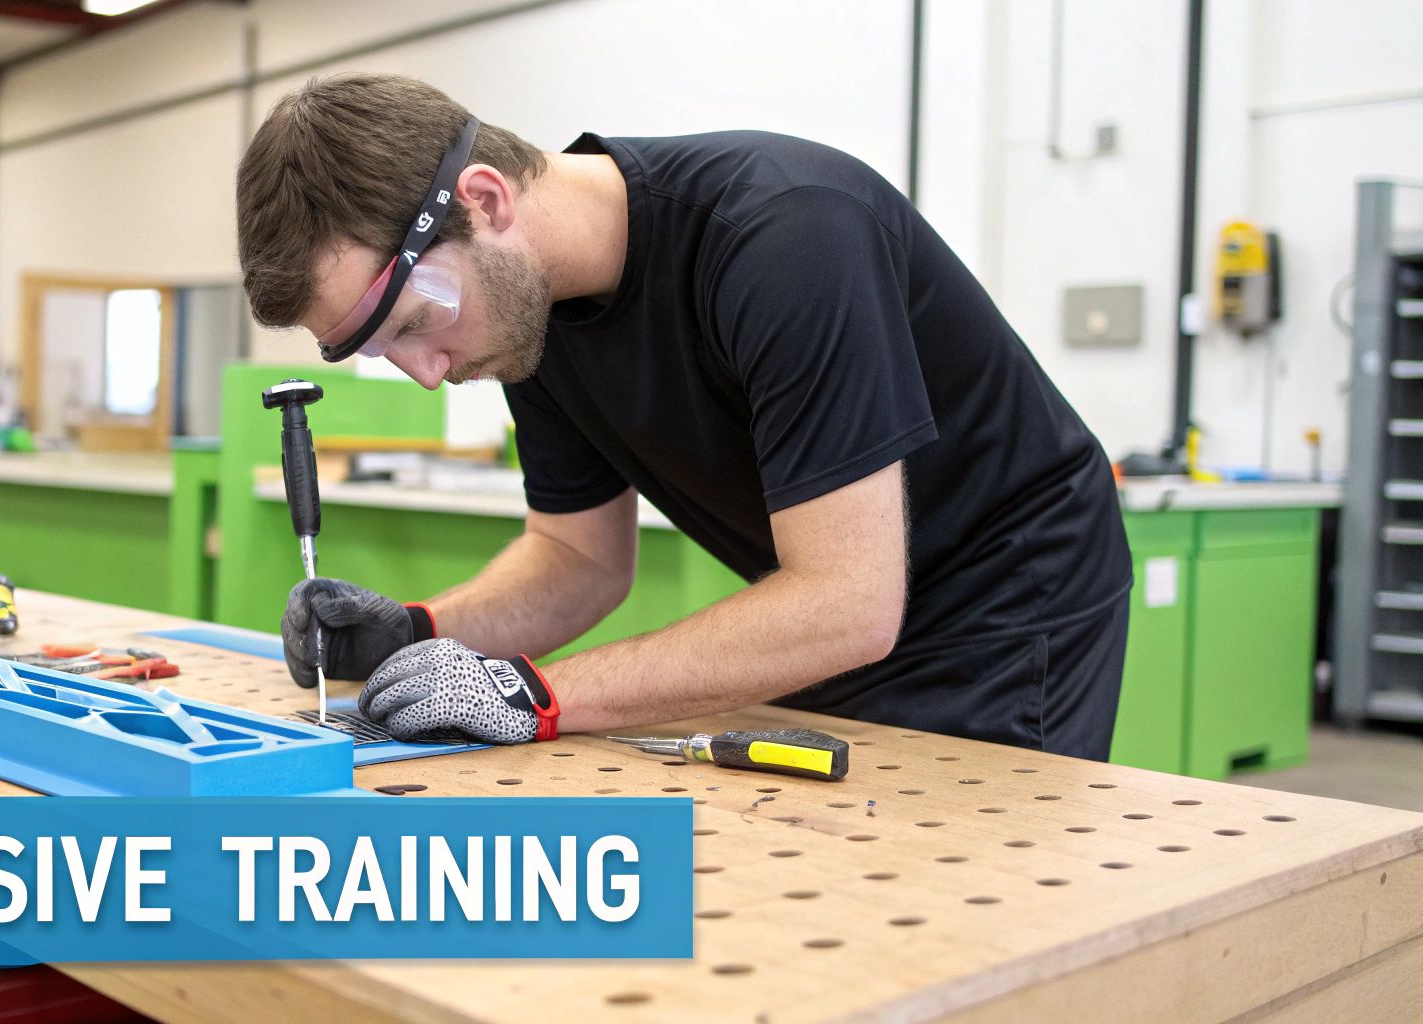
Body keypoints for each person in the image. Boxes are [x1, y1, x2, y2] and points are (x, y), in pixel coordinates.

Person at [235, 73, 1133, 758]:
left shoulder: (786, 236)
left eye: (414, 324)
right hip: (835, 615)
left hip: (1004, 599)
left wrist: (533, 695)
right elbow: (579, 561)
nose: (427, 374)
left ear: (485, 201)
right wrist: (417, 632)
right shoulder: (525, 315)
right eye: (382, 349)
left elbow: (849, 602)